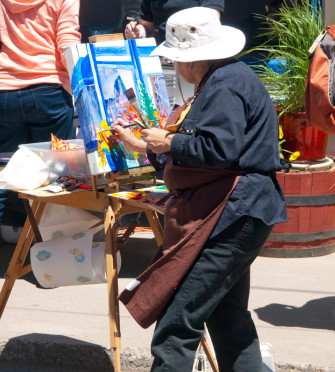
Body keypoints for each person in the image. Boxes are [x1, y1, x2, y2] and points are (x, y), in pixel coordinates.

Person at [112, 7, 287, 371]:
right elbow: (210, 152)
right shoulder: (225, 79)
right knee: (228, 318)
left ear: (193, 60)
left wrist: (168, 144)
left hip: (233, 213)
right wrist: (146, 146)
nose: (176, 67)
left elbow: (217, 150)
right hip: (239, 211)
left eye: (176, 59)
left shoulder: (226, 84)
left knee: (177, 324)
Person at [0, 0, 81, 226]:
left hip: (4, 91)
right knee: (54, 173)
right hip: (50, 92)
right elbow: (67, 43)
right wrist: (81, 88)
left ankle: (14, 228)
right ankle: (50, 243)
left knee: (3, 173)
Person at [124, 0, 225, 45]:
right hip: (162, 56)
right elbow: (148, 27)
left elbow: (211, 21)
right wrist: (138, 33)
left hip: (193, 57)